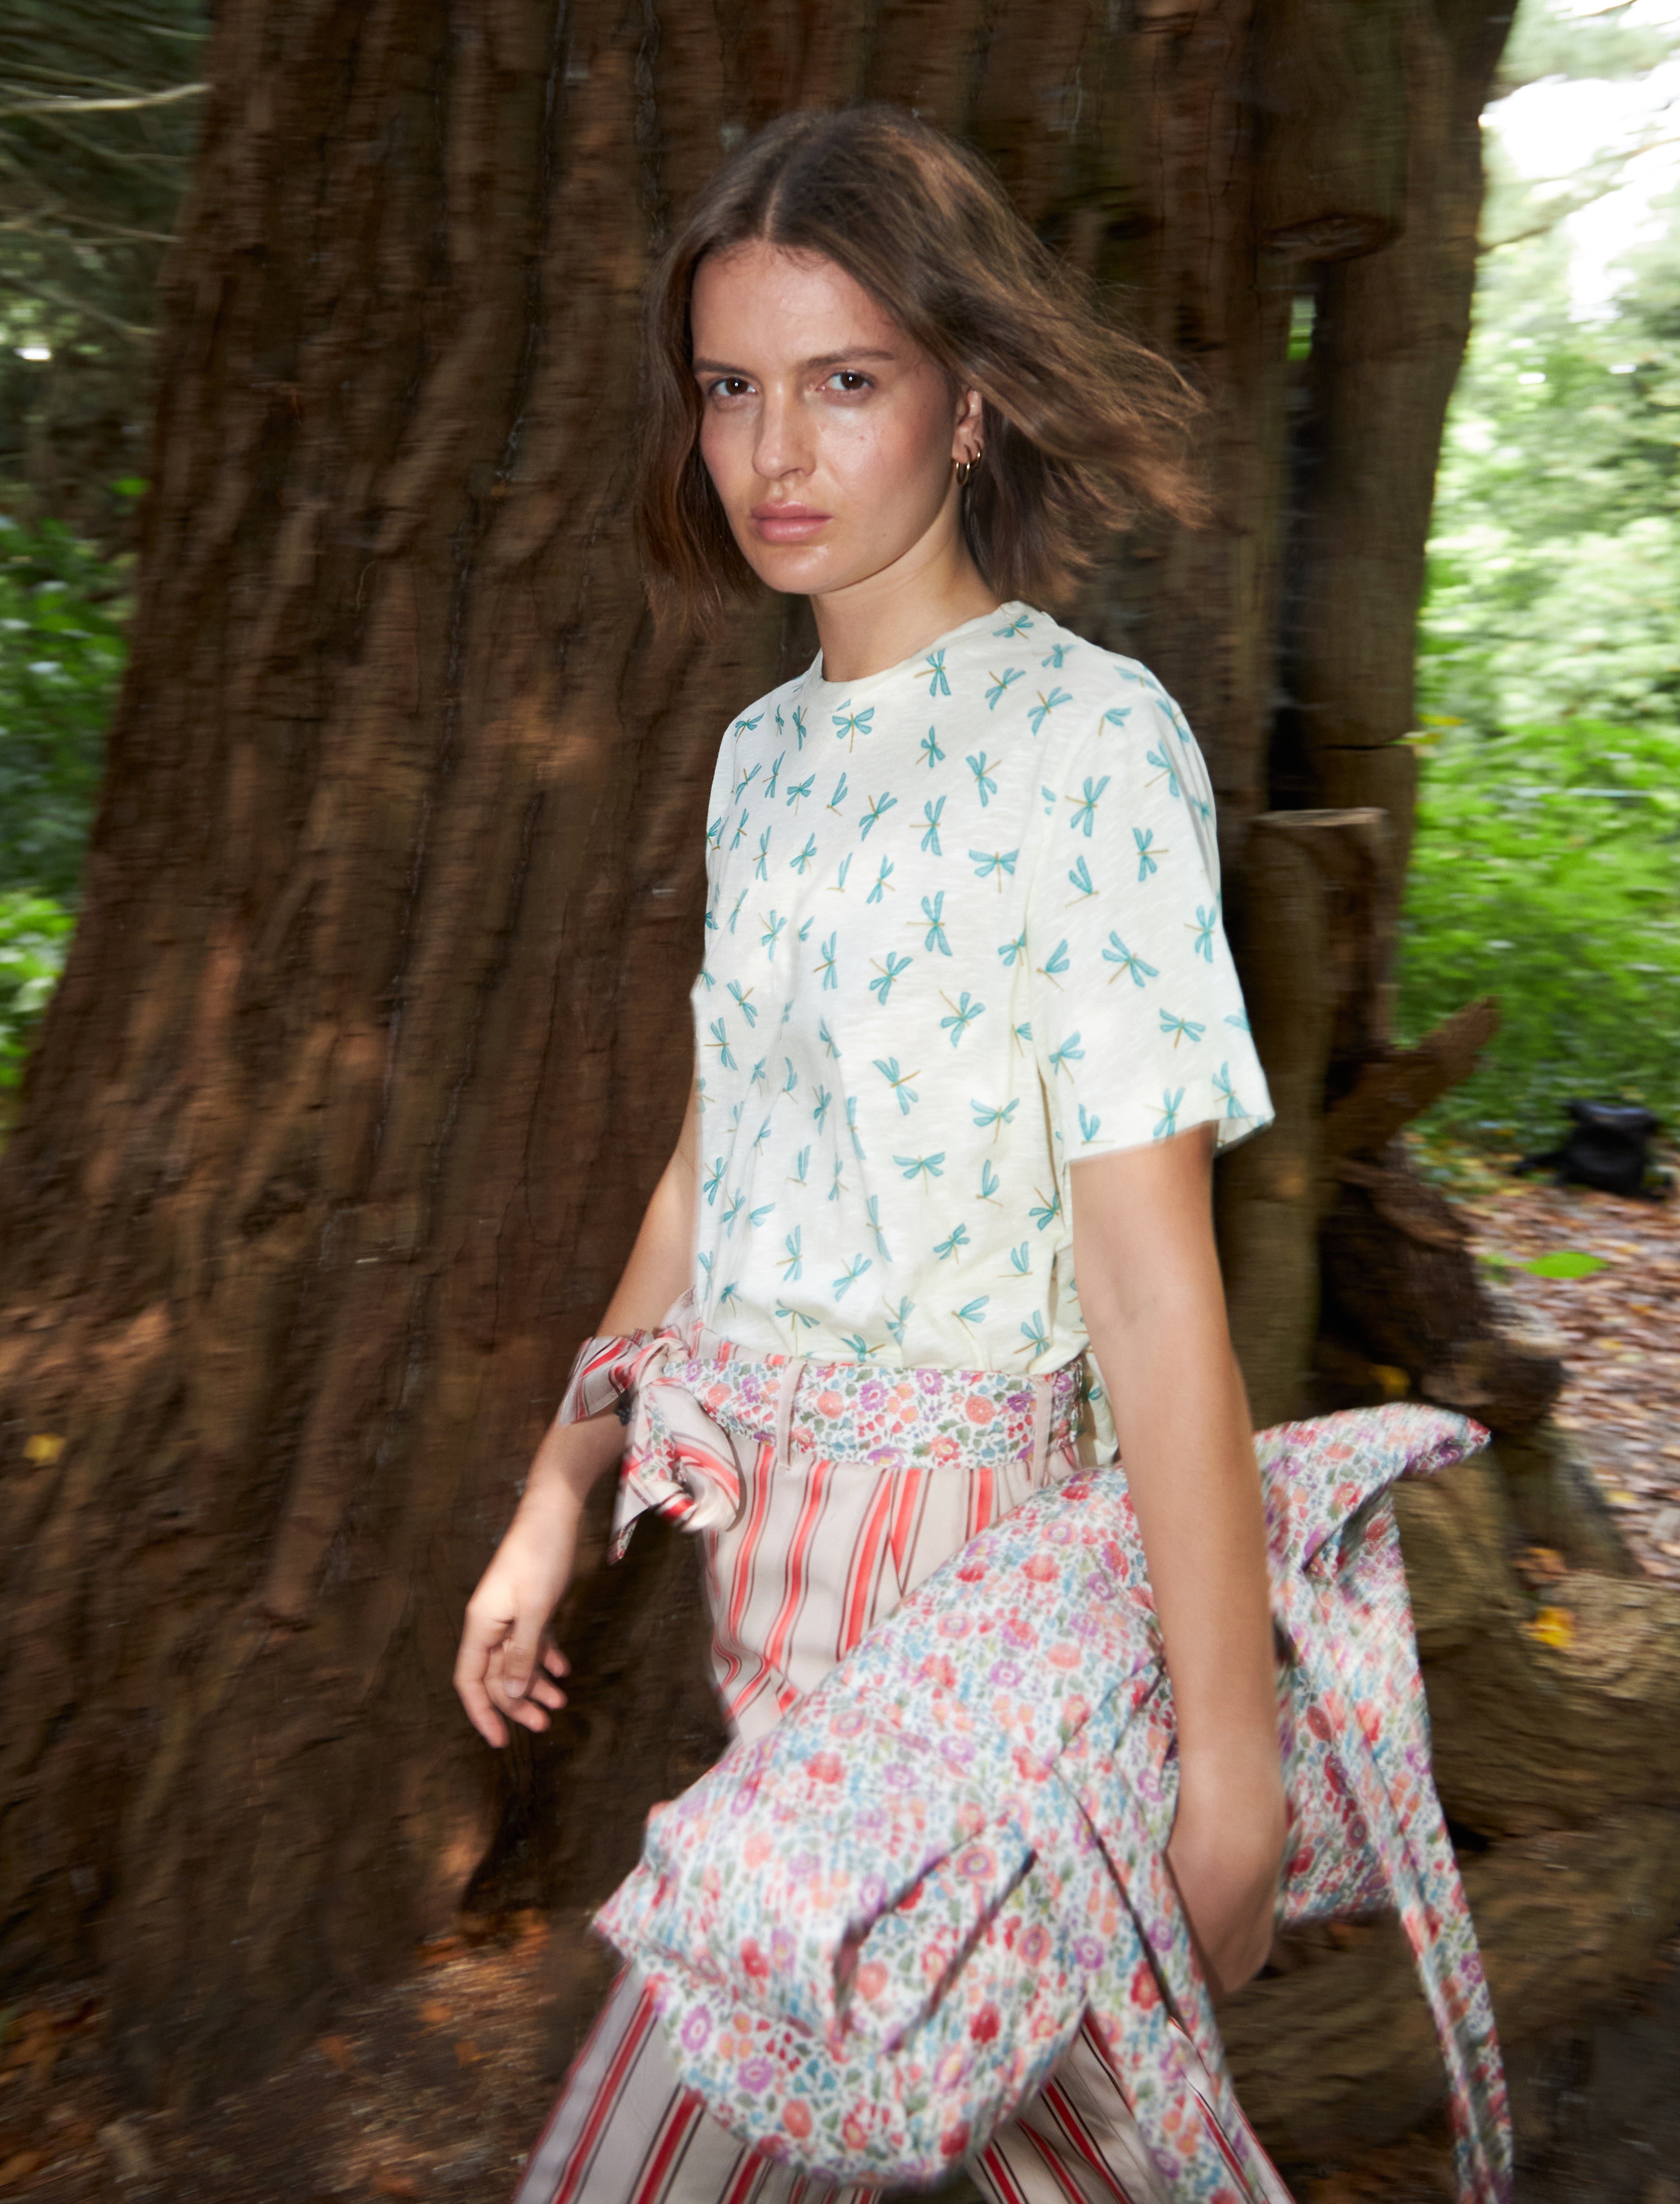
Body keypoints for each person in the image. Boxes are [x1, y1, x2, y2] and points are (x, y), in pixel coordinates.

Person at [456, 104, 1287, 2204]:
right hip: (770, 1587)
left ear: (969, 395)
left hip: (962, 1596)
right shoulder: (760, 763)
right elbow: (705, 1177)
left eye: (845, 382)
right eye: (732, 390)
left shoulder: (1086, 745)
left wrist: (1230, 1763)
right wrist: (557, 1495)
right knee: (1018, 2152)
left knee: (660, 2154)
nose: (774, 454)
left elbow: (1146, 1288)